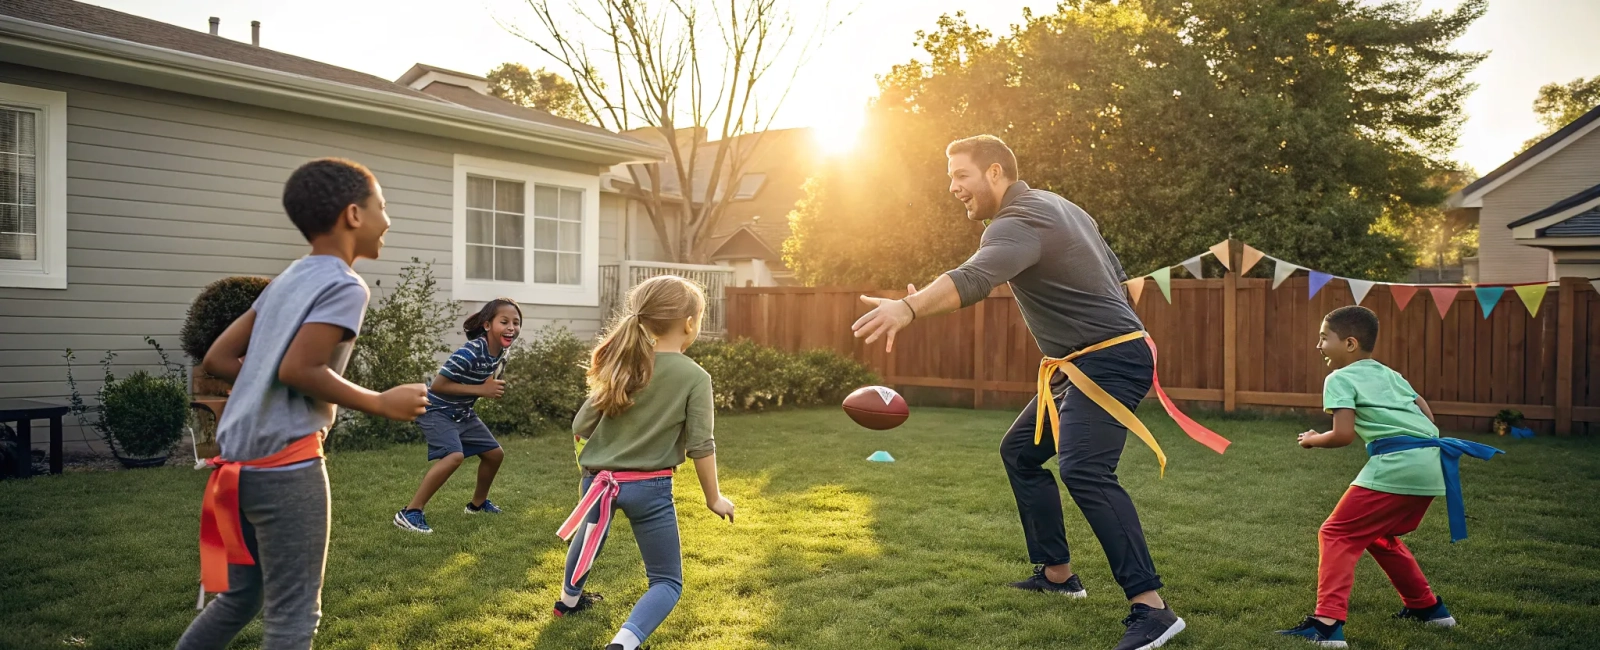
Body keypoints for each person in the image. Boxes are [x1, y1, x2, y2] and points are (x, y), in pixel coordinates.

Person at [851, 135, 1230, 650]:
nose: (953, 188)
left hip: (1108, 358)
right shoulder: (1057, 205)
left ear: (995, 173)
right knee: (1021, 453)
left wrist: (909, 308)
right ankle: (1058, 574)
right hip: (1077, 364)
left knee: (1085, 470)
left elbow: (977, 276)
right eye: (950, 177)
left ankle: (1153, 610)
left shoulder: (1021, 218)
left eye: (961, 176)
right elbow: (1113, 275)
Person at [178, 158, 429, 650]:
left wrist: (267, 377)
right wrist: (380, 401)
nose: (389, 220)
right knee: (293, 618)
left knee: (239, 597)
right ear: (353, 215)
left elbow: (220, 357)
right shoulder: (343, 284)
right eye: (383, 206)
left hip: (239, 469)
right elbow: (300, 369)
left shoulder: (287, 279)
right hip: (285, 469)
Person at [1277, 306, 1501, 648]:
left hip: (1398, 464)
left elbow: (1342, 435)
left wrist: (1311, 440)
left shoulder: (1339, 378)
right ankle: (1429, 609)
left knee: (1335, 533)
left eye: (1324, 338)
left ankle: (1326, 624)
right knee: (1378, 535)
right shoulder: (1389, 373)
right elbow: (1425, 411)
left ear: (1349, 344)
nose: (1318, 345)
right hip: (1431, 463)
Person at [553, 275, 736, 650]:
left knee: (591, 536)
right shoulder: (695, 377)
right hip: (650, 489)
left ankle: (567, 603)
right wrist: (713, 498)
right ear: (689, 323)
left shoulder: (625, 367)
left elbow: (580, 425)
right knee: (667, 581)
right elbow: (702, 445)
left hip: (598, 483)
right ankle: (623, 643)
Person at [394, 298, 521, 534]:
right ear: (487, 325)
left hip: (463, 413)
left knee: (494, 455)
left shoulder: (501, 352)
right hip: (436, 410)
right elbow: (439, 386)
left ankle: (477, 505)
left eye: (516, 322)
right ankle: (410, 512)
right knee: (454, 456)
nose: (511, 327)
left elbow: (483, 380)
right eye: (504, 321)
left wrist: (486, 386)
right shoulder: (471, 350)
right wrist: (481, 390)